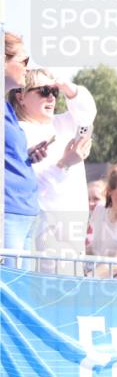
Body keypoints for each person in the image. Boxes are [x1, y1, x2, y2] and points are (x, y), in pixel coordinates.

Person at [9, 68, 94, 273]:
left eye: (54, 92)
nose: (51, 97)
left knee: (70, 295)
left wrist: (67, 87)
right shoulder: (17, 132)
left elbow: (88, 113)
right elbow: (31, 186)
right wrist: (64, 164)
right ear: (21, 97)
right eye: (43, 91)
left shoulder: (62, 123)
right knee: (47, 294)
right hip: (45, 226)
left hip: (74, 224)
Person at [4, 32, 41, 262]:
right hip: (7, 212)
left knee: (20, 290)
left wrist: (26, 155)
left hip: (25, 211)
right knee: (6, 291)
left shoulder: (6, 108)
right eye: (24, 61)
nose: (28, 68)